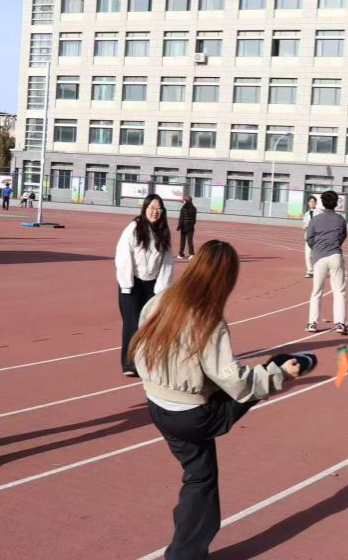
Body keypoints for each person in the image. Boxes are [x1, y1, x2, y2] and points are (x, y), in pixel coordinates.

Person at [132, 240, 303, 560]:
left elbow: (141, 341)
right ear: (225, 278)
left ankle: (187, 550)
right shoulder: (208, 321)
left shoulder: (161, 300)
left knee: (198, 474)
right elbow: (235, 382)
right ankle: (184, 554)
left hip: (156, 403)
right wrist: (278, 376)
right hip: (191, 416)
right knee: (202, 480)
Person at [116, 194, 174, 376]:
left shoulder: (163, 233)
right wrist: (126, 285)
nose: (155, 212)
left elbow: (167, 262)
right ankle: (129, 364)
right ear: (145, 209)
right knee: (132, 324)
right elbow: (123, 257)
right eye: (151, 208)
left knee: (150, 325)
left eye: (158, 209)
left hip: (153, 285)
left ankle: (147, 361)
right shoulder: (133, 229)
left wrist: (162, 289)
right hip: (132, 284)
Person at [306, 190, 348, 334]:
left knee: (317, 291)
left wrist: (317, 249)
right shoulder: (340, 219)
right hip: (335, 255)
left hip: (319, 257)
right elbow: (343, 236)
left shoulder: (315, 220)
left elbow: (309, 238)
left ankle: (312, 323)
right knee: (339, 291)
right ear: (336, 203)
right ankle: (340, 323)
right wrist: (334, 245)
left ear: (322, 203)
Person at [302, 196, 321, 278]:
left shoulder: (320, 212)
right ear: (308, 203)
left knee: (319, 254)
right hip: (309, 236)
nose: (312, 203)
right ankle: (310, 271)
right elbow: (305, 224)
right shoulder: (306, 214)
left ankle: (321, 270)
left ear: (316, 203)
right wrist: (305, 227)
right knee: (308, 254)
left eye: (313, 201)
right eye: (310, 202)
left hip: (318, 236)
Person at [176, 195, 197, 260]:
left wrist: (179, 227)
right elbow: (194, 219)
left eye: (184, 200)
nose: (183, 201)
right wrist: (192, 224)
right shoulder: (194, 208)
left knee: (183, 241)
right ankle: (191, 254)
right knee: (190, 240)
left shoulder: (183, 208)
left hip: (184, 226)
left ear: (185, 201)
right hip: (191, 227)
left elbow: (181, 219)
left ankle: (181, 254)